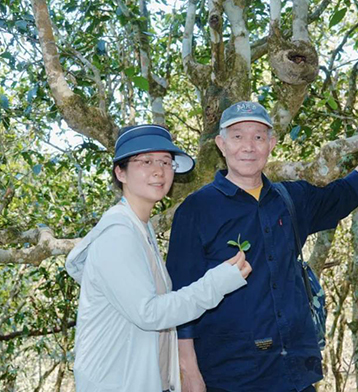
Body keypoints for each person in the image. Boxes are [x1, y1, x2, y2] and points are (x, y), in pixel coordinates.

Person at [166, 92, 358, 392]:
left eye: (259, 137)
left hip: (294, 375)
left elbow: (353, 188)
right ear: (222, 145)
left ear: (271, 144)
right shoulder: (196, 209)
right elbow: (179, 299)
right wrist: (188, 371)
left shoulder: (291, 198)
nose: (248, 146)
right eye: (237, 136)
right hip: (229, 377)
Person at [65, 124, 252, 392]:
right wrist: (218, 282)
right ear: (121, 172)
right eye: (146, 161)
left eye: (165, 161)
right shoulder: (118, 234)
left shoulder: (141, 228)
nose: (158, 170)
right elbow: (149, 313)